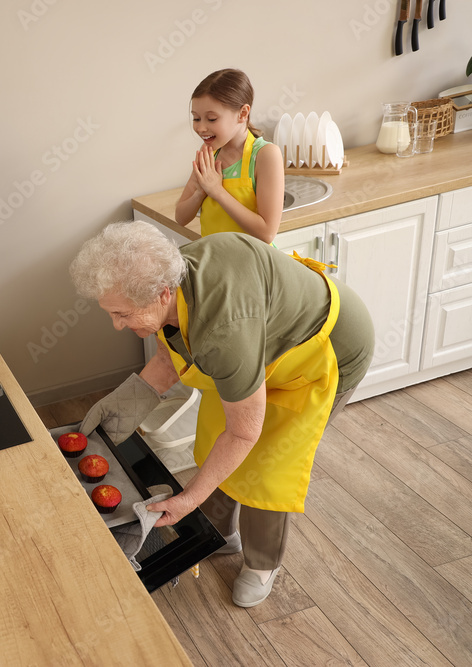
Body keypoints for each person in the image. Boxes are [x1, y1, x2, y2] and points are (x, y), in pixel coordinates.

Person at [71, 222, 374, 607]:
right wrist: (118, 408)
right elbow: (171, 355)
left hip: (321, 353)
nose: (117, 325)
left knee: (266, 466)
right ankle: (219, 532)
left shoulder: (223, 335)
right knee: (214, 436)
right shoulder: (175, 280)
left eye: (122, 314)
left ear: (162, 293)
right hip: (256, 346)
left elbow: (244, 434)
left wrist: (187, 499)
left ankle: (263, 563)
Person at [175, 69, 284, 244]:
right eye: (196, 119)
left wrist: (216, 191)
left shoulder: (266, 155)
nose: (201, 128)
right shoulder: (209, 152)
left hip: (253, 265)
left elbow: (266, 233)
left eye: (211, 119)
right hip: (215, 264)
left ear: (242, 114)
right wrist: (200, 192)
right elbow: (180, 217)